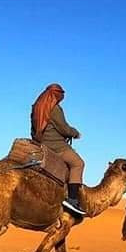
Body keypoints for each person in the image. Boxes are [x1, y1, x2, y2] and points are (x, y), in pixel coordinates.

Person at [30, 83, 85, 215]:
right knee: (78, 164)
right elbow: (63, 128)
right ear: (56, 95)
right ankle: (72, 199)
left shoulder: (37, 106)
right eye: (60, 94)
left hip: (41, 144)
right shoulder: (54, 109)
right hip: (56, 146)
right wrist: (75, 133)